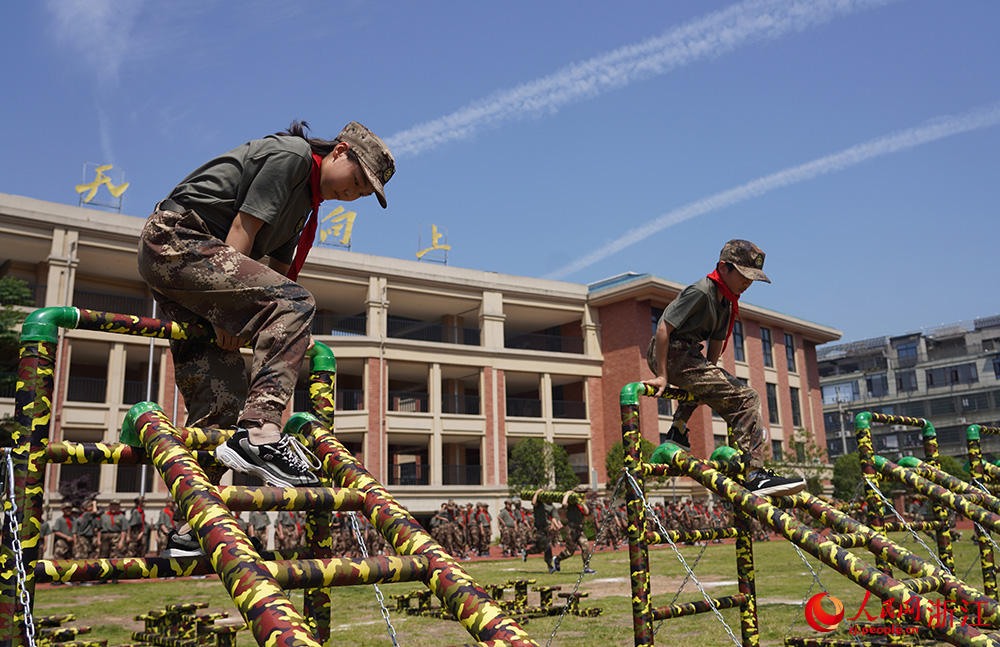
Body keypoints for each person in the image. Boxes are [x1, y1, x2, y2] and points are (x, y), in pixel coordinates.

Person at [139, 120, 394, 557]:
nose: (352, 194)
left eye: (362, 193)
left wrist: (253, 318)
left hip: (195, 265)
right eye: (355, 180)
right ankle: (260, 431)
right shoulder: (292, 157)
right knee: (298, 304)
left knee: (221, 401)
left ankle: (193, 523)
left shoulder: (304, 205)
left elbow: (275, 271)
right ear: (338, 152)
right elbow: (243, 232)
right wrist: (230, 306)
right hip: (178, 241)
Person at [643, 239, 805, 498]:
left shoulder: (727, 302)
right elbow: (663, 328)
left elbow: (715, 344)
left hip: (691, 356)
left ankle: (678, 429)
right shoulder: (700, 291)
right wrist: (662, 375)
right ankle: (754, 474)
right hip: (671, 353)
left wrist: (713, 376)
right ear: (723, 267)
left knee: (712, 385)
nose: (748, 283)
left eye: (752, 278)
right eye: (743, 275)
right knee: (749, 397)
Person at [553, 488, 596, 574]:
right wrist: (568, 493)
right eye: (579, 493)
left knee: (586, 547)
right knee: (569, 552)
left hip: (579, 529)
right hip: (570, 529)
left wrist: (582, 503)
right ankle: (557, 559)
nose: (581, 495)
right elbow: (564, 503)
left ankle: (586, 567)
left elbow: (587, 512)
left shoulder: (580, 504)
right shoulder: (571, 504)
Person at [522, 491, 557, 573]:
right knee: (547, 546)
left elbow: (554, 517)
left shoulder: (551, 506)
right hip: (538, 529)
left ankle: (526, 552)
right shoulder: (539, 503)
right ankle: (550, 566)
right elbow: (533, 502)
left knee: (539, 549)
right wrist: (537, 492)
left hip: (546, 529)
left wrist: (554, 525)